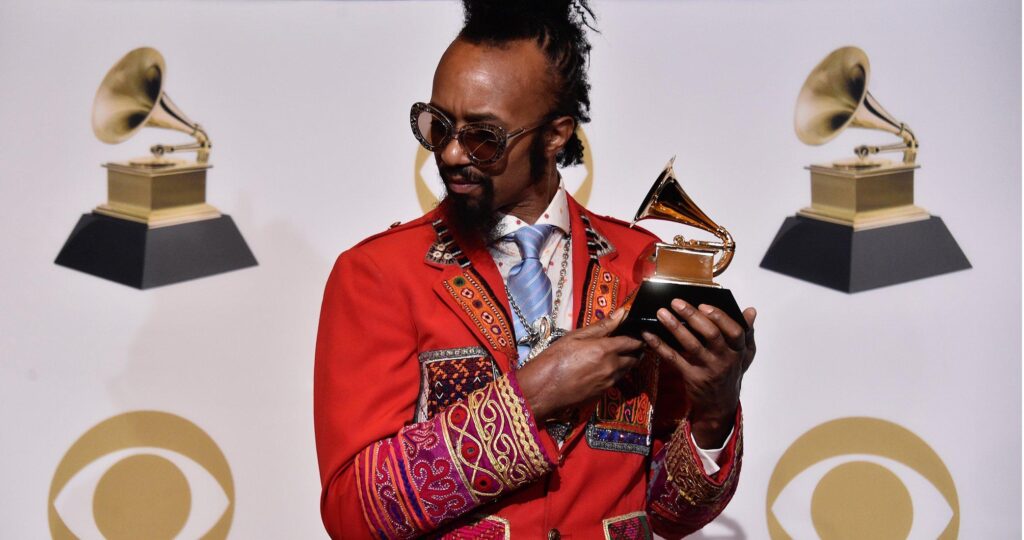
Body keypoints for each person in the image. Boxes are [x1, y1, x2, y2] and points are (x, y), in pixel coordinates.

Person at [314, 2, 757, 538]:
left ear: (555, 134)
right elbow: (350, 514)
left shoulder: (641, 262)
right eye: (437, 125)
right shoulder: (378, 274)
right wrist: (532, 396)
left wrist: (715, 409)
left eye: (484, 136)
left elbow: (671, 512)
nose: (452, 153)